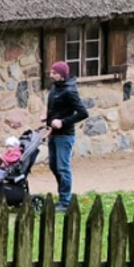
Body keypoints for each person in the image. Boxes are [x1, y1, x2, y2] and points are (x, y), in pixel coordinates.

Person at [42, 60, 90, 212]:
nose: (51, 75)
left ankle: (66, 201)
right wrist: (48, 117)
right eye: (51, 72)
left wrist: (63, 122)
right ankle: (63, 195)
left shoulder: (70, 91)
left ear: (62, 75)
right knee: (53, 166)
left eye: (54, 73)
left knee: (63, 168)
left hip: (65, 135)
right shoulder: (55, 88)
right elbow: (57, 108)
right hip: (53, 134)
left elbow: (83, 113)